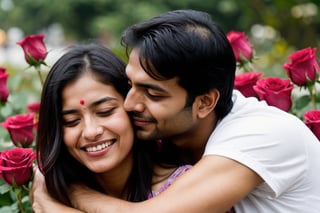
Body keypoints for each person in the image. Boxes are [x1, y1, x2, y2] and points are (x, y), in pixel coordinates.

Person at [32, 9, 320, 213]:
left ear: (205, 103)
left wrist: (61, 196)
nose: (130, 103)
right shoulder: (172, 138)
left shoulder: (260, 135)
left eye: (153, 93)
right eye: (130, 84)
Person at [32, 43, 191, 211]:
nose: (91, 132)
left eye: (105, 111)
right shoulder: (51, 188)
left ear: (132, 108)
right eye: (71, 121)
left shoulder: (185, 188)